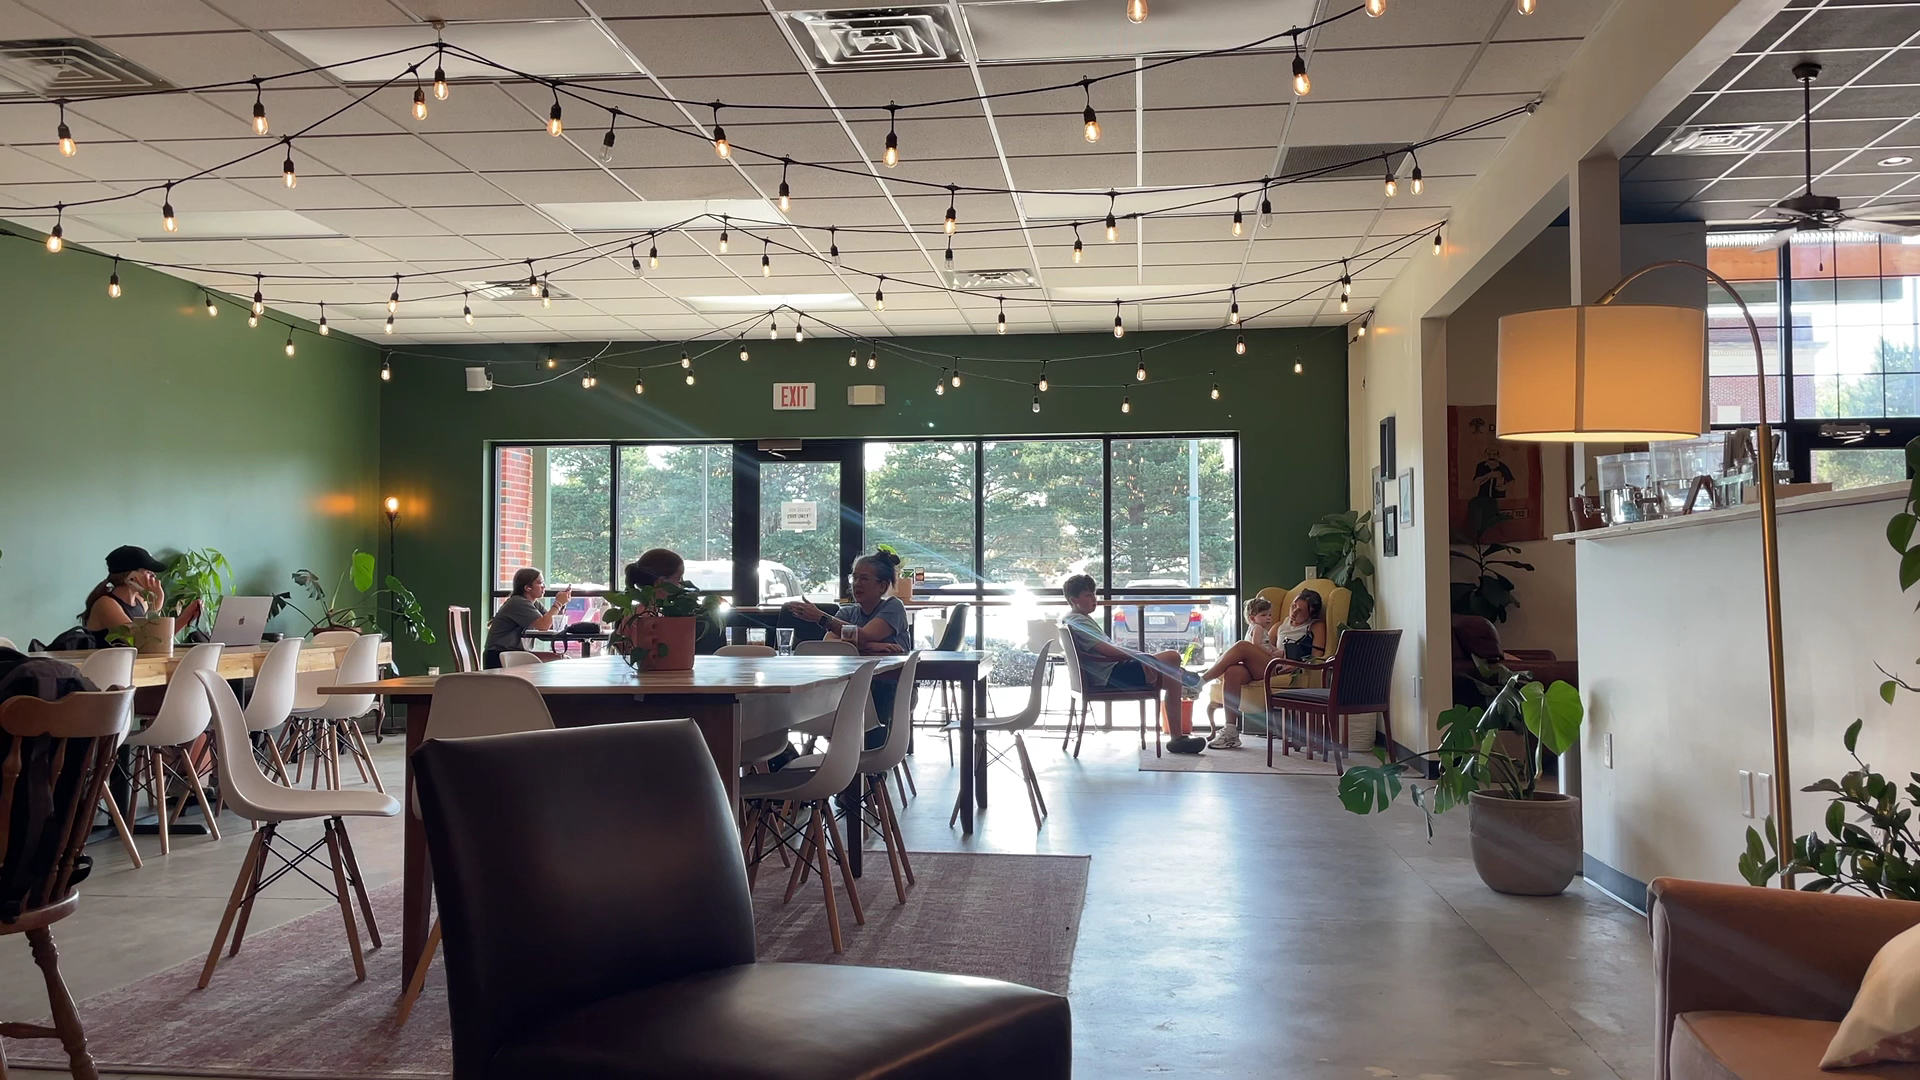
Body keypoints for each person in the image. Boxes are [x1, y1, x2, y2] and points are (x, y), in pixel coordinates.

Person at [1057, 574, 1198, 753]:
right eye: (1088, 595)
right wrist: (1141, 657)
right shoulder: (1078, 621)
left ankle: (1177, 737)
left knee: (1173, 675)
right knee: (1173, 658)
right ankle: (1185, 690)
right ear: (1074, 600)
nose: (1094, 599)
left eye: (1094, 594)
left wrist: (1142, 657)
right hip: (1110, 675)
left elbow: (1108, 650)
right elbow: (1108, 651)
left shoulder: (1072, 619)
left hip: (1107, 672)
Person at [784, 550, 911, 749]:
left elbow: (866, 634)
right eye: (855, 578)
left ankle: (868, 763)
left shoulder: (894, 607)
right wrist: (869, 645)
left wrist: (823, 618)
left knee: (865, 696)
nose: (856, 584)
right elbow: (830, 643)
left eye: (864, 578)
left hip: (890, 688)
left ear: (882, 585)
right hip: (849, 688)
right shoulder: (847, 612)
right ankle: (841, 759)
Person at [1197, 589, 1328, 749]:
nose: (1294, 612)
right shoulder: (1280, 625)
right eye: (1294, 606)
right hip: (1266, 665)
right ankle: (1231, 732)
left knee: (1242, 646)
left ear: (1311, 613)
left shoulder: (1315, 626)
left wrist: (1295, 664)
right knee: (1232, 672)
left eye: (1300, 610)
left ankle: (1199, 682)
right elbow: (1264, 648)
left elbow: (1316, 658)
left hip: (1281, 668)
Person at [483, 567, 570, 668]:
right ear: (527, 588)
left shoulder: (535, 604)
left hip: (517, 653)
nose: (544, 586)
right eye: (540, 583)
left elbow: (551, 625)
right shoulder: (517, 602)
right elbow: (543, 625)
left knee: (563, 659)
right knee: (560, 660)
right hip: (499, 655)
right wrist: (558, 603)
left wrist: (562, 606)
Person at [81, 546, 169, 639]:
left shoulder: (140, 602)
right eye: (148, 572)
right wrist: (156, 606)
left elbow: (156, 637)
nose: (153, 576)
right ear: (131, 576)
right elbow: (138, 639)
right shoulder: (106, 604)